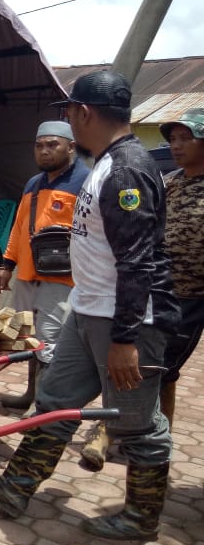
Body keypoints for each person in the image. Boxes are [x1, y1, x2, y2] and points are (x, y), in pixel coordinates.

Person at [0, 70, 178, 542]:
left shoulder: (126, 171)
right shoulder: (105, 162)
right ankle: (15, 487)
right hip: (88, 307)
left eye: (70, 114)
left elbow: (138, 262)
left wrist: (124, 341)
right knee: (56, 400)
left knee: (138, 423)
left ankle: (141, 519)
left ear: (83, 113)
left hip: (128, 322)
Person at [81, 108, 204, 471]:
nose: (177, 145)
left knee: (158, 370)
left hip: (191, 297)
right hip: (150, 290)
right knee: (134, 365)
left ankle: (139, 439)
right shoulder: (168, 181)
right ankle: (122, 431)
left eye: (186, 138)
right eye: (173, 139)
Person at [0, 121, 90, 411]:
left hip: (62, 278)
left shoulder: (86, 181)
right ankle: (29, 394)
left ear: (71, 147)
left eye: (53, 145)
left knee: (49, 339)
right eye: (40, 145)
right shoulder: (33, 184)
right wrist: (6, 264)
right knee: (21, 334)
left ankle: (43, 408)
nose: (45, 151)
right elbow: (19, 226)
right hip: (26, 273)